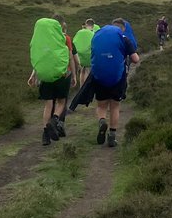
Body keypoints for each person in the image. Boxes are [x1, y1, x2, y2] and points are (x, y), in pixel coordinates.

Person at [89, 18, 139, 147]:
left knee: (101, 106)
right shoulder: (124, 38)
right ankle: (112, 136)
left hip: (99, 76)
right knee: (115, 106)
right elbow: (136, 59)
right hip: (117, 78)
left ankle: (101, 121)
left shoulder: (98, 36)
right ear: (123, 28)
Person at [28, 15, 78, 145]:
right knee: (61, 102)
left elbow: (39, 59)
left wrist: (33, 74)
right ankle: (55, 119)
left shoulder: (42, 41)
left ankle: (45, 135)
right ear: (61, 26)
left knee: (48, 104)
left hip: (45, 75)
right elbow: (71, 58)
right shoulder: (66, 39)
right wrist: (74, 75)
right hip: (63, 74)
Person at [72, 19, 97, 86]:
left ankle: (81, 87)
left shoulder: (79, 32)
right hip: (89, 57)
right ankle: (85, 88)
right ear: (93, 26)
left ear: (86, 24)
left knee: (82, 72)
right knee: (87, 73)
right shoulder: (93, 34)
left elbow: (74, 43)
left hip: (79, 57)